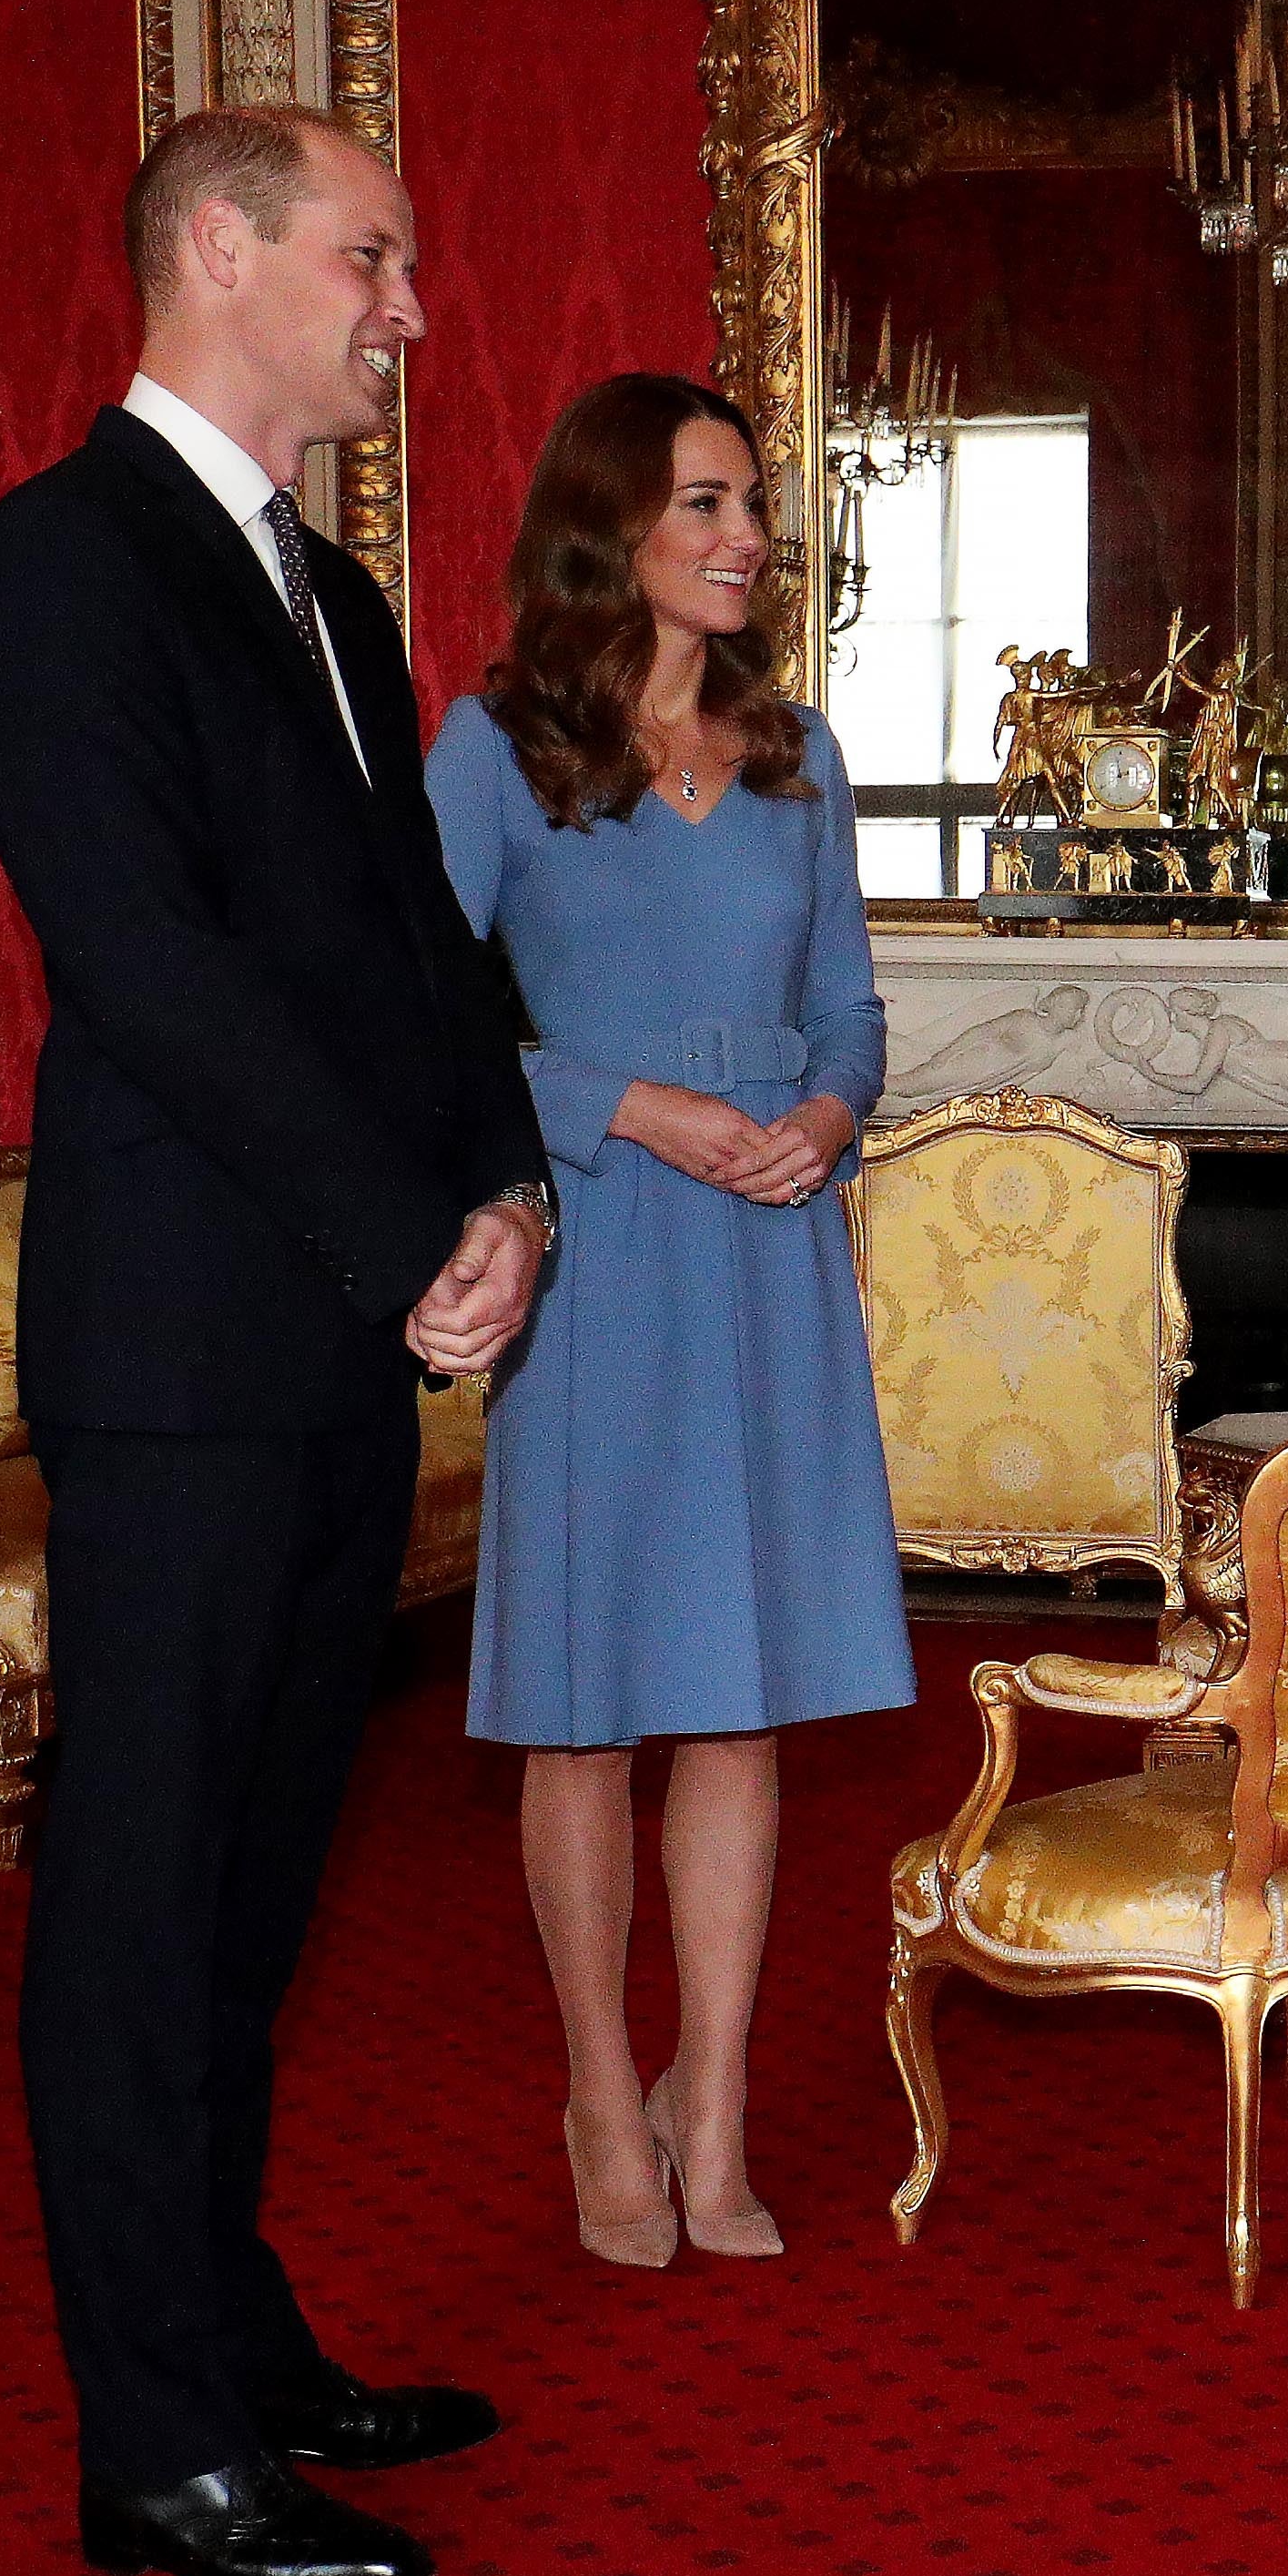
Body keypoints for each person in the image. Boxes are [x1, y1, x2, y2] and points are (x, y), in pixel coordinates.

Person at [0, 104, 553, 2576]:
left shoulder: (330, 581)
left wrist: (507, 1185)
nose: (407, 303)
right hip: (187, 1351)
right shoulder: (63, 565)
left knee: (254, 1904)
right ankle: (161, 2448)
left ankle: (236, 2328)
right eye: (371, 253)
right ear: (219, 249)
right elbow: (156, 977)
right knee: (141, 1905)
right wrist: (402, 1219)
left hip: (327, 1345)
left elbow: (412, 935)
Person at [428, 374, 913, 2270]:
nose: (746, 537)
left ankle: (708, 2108)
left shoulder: (795, 753)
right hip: (607, 1254)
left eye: (757, 509)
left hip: (771, 1263)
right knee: (587, 1703)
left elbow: (853, 1012)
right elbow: (436, 1022)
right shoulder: (497, 752)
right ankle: (593, 2094)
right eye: (708, 501)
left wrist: (816, 1119)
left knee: (738, 1698)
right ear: (611, 522)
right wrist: (628, 1110)